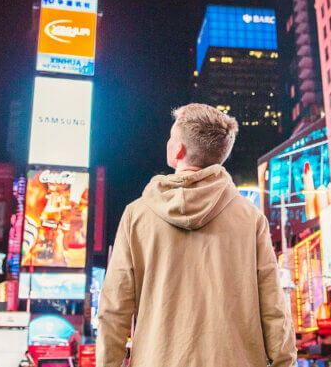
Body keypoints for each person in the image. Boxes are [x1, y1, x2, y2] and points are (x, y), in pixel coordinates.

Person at [97, 103, 296, 367]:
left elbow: (114, 310)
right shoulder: (250, 219)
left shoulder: (137, 215)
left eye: (171, 136)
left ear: (178, 149)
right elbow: (274, 310)